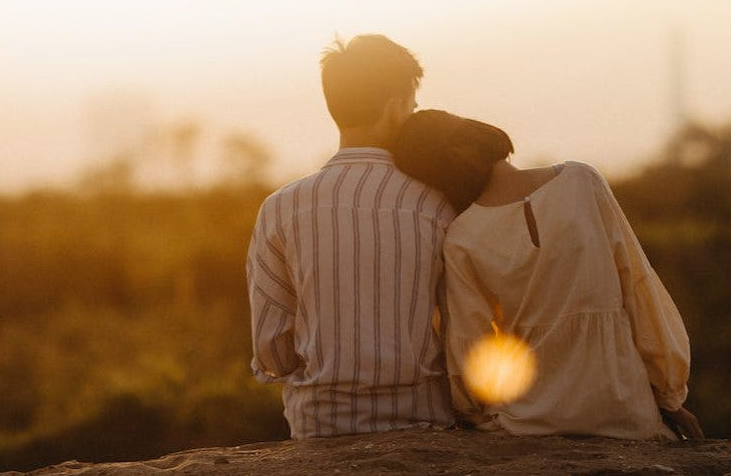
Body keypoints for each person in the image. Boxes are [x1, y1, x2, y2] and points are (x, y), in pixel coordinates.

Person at [392, 109, 703, 440]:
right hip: (625, 411)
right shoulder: (582, 181)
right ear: (479, 132)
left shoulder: (461, 237)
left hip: (528, 422)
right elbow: (639, 289)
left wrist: (471, 411)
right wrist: (669, 396)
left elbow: (471, 346)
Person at [246, 35, 455, 439]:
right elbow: (462, 327)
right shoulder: (438, 204)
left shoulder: (281, 207)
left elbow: (271, 348)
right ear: (396, 107)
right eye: (412, 106)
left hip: (321, 425)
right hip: (425, 422)